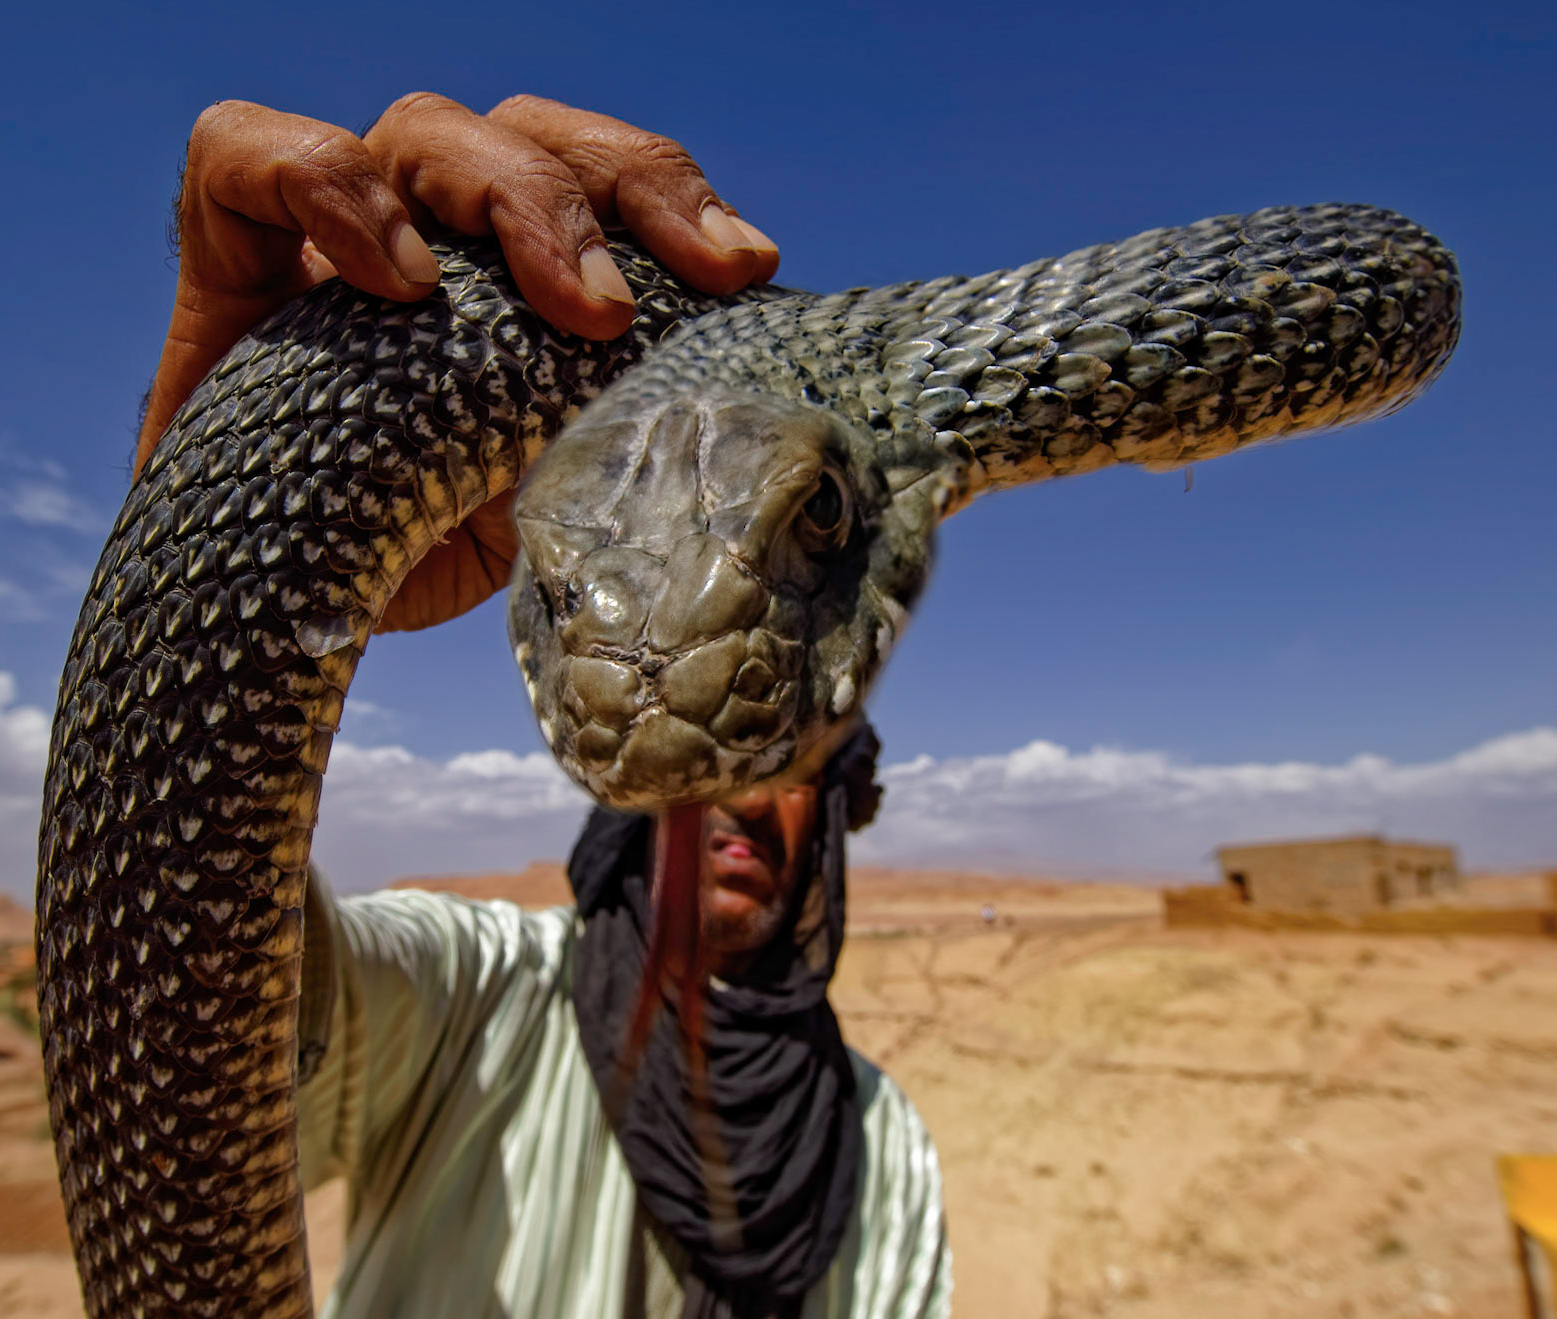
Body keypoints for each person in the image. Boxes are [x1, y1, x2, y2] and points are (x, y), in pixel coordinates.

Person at [141, 96, 953, 1318]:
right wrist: (204, 585)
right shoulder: (480, 997)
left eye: (782, 749)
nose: (733, 788)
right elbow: (181, 1043)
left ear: (837, 807)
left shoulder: (884, 1148)